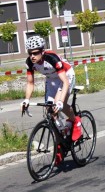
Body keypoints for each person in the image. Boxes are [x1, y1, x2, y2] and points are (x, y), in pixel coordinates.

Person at [21, 35, 82, 165]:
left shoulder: (51, 58)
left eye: (36, 53)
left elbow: (65, 82)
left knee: (60, 103)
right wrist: (26, 100)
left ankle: (75, 120)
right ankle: (60, 142)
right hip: (51, 79)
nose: (32, 56)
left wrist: (60, 102)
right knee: (49, 111)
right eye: (30, 53)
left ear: (42, 51)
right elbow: (30, 83)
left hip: (65, 76)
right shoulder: (29, 62)